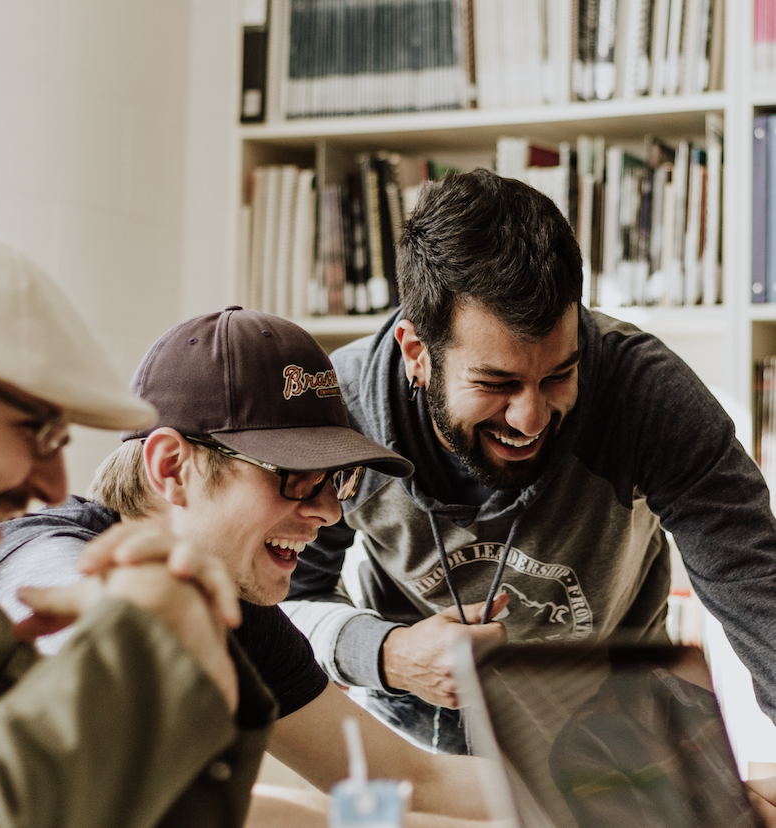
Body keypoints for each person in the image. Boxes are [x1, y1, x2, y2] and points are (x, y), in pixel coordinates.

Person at [281, 167, 776, 758]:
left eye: (559, 375)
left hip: (620, 732)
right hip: (420, 740)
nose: (531, 418)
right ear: (416, 353)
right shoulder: (343, 413)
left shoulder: (646, 393)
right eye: (497, 382)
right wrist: (386, 654)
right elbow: (281, 604)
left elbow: (756, 584)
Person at [0, 307, 512, 828]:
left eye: (337, 479)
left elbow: (415, 782)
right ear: (171, 467)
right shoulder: (45, 560)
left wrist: (577, 792)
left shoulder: (233, 608)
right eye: (295, 475)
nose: (330, 512)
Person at [0, 215, 277, 828]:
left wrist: (194, 639)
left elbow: (113, 806)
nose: (55, 485)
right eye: (37, 429)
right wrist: (147, 633)